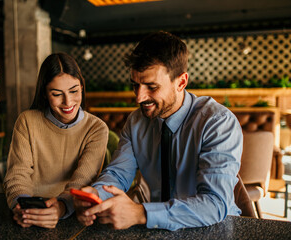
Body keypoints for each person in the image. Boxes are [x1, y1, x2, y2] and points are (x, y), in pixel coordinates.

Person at [74, 31, 243, 231]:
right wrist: (95, 197)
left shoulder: (217, 123)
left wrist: (140, 213)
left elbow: (214, 204)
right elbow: (118, 175)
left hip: (214, 228)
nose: (139, 98)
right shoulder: (136, 121)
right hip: (157, 228)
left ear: (181, 82)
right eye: (135, 86)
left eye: (151, 87)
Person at [4, 53, 109, 229]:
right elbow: (17, 173)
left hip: (72, 212)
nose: (68, 102)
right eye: (56, 94)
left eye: (74, 91)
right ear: (44, 93)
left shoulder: (97, 128)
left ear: (82, 87)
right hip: (30, 207)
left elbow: (82, 180)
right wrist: (21, 206)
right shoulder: (27, 121)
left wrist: (61, 207)